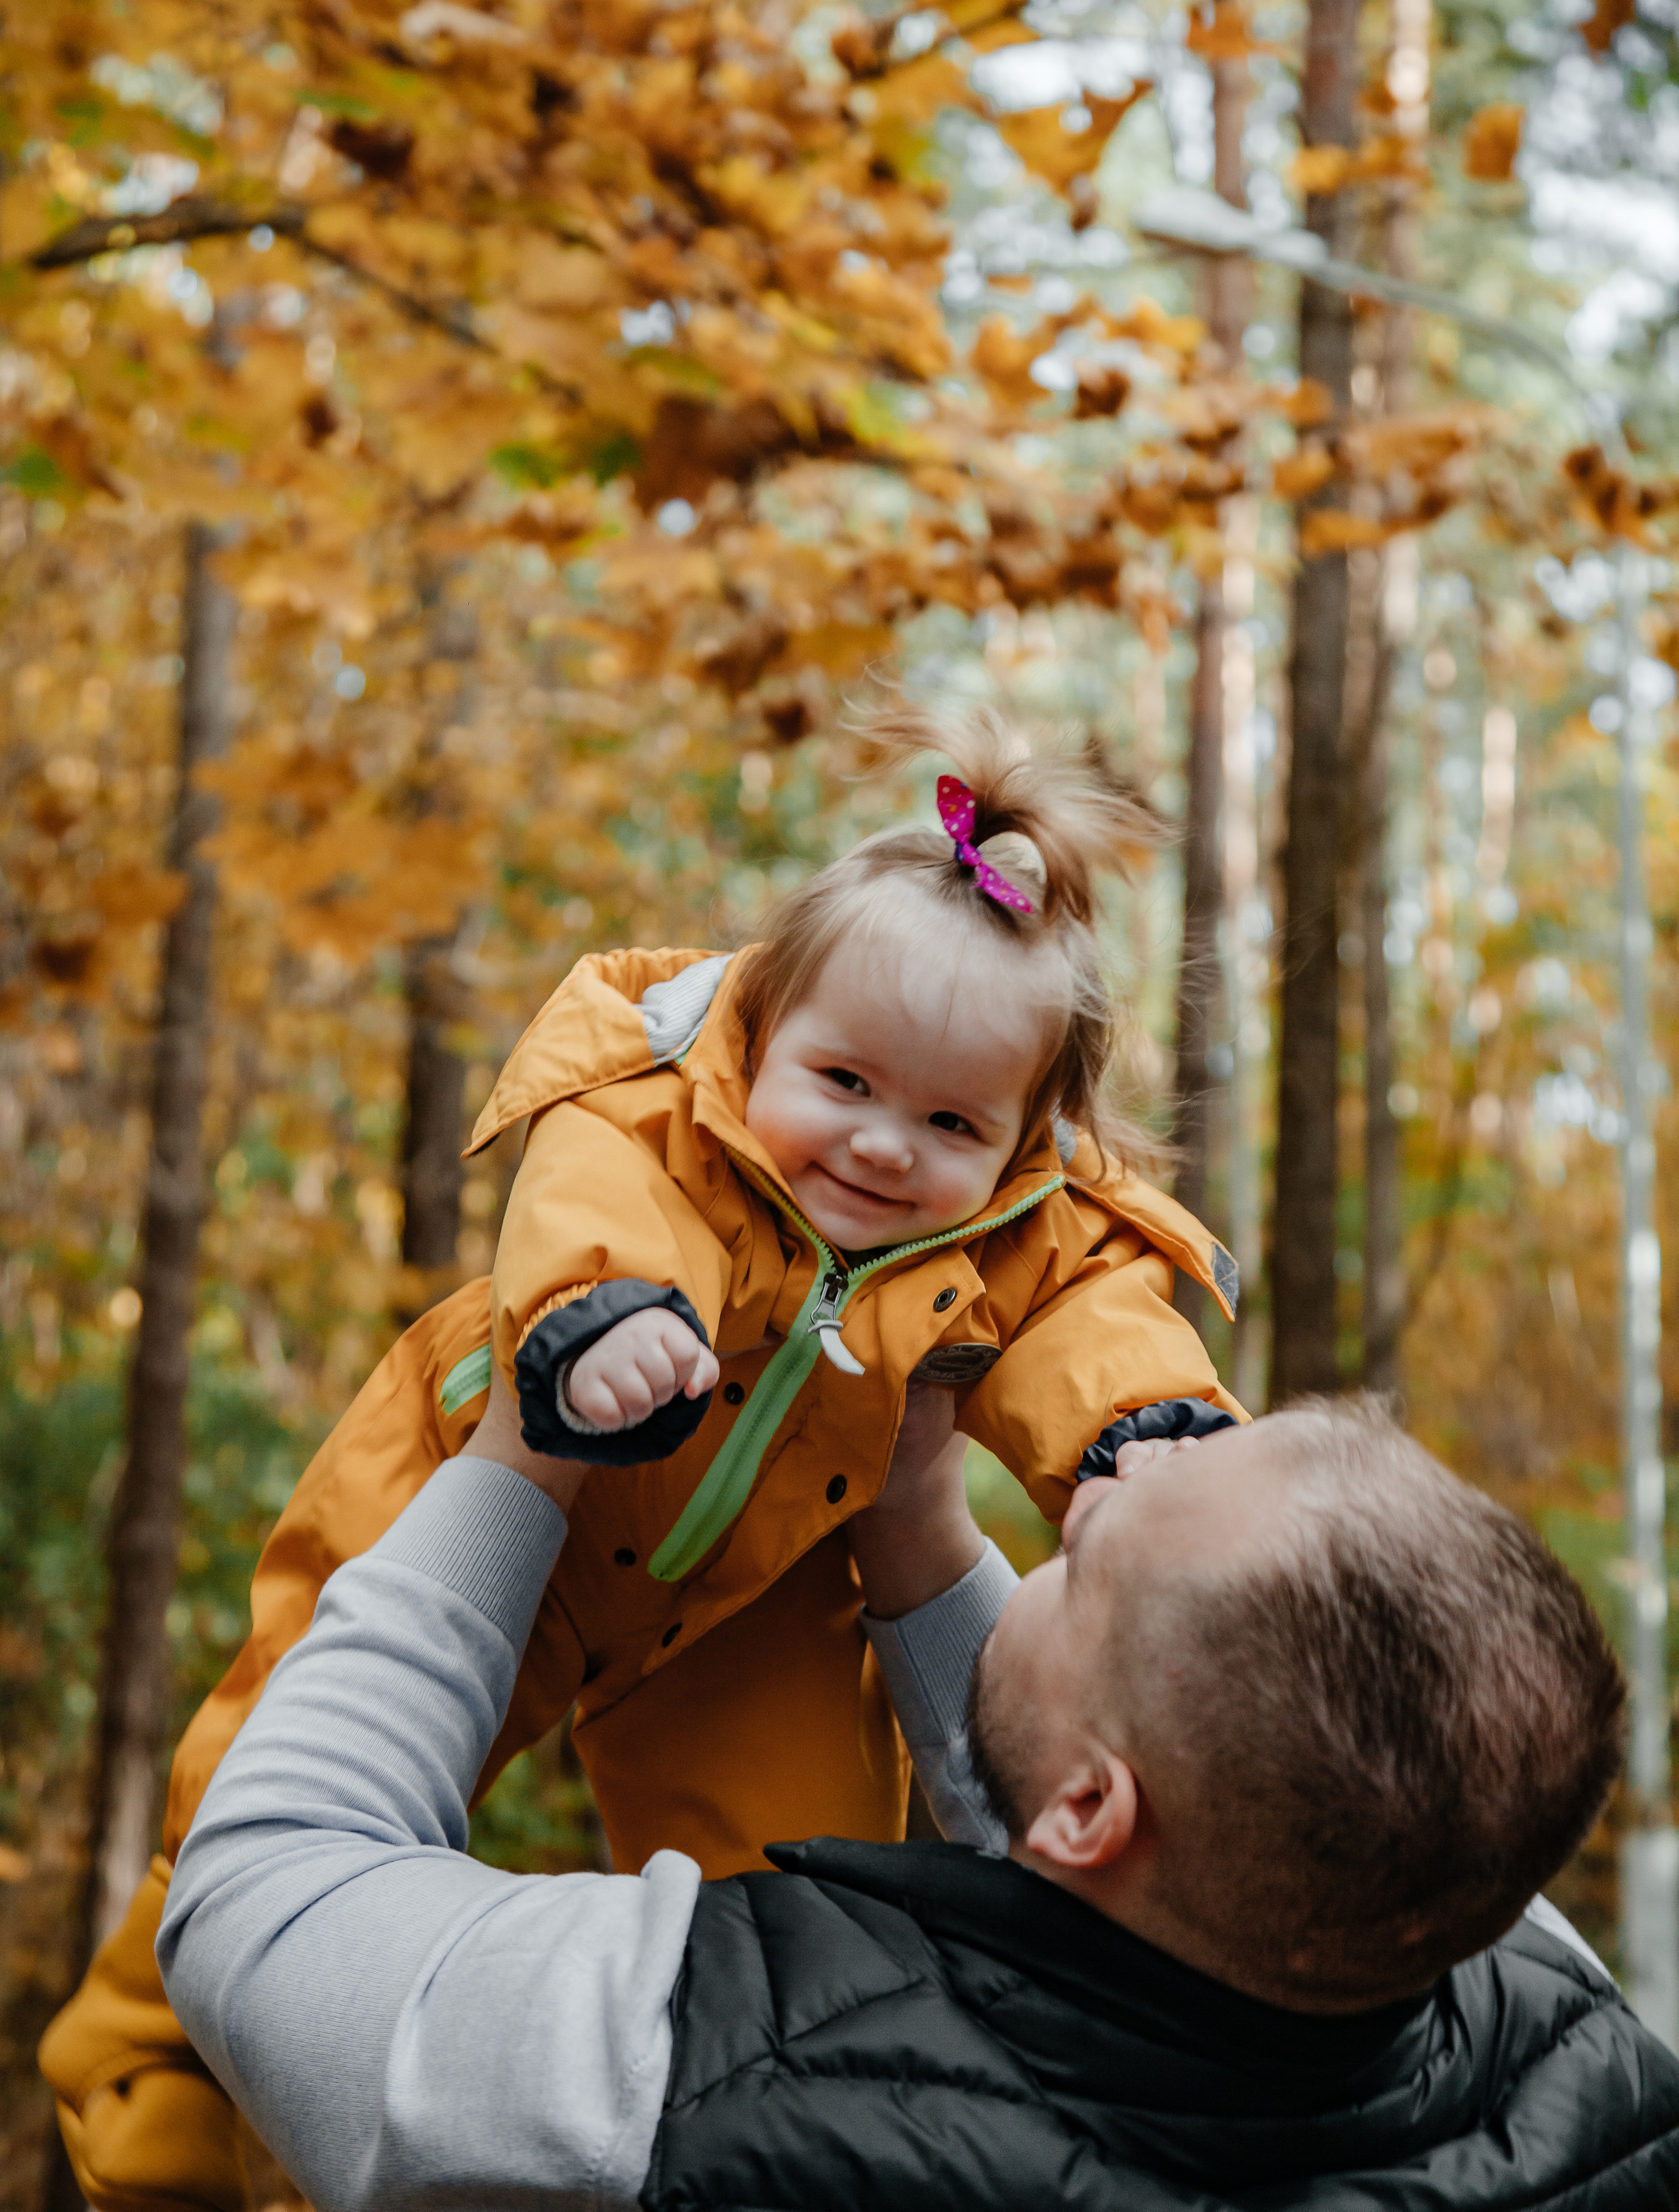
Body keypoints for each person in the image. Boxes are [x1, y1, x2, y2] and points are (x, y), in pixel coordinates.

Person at [44, 704, 1244, 2207]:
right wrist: (605, 1310)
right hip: (484, 1503)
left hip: (759, 1600)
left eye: (949, 1120)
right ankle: (147, 2096)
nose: (882, 1148)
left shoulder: (1022, 1229)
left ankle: (751, 2152)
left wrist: (1142, 1434)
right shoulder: (659, 1107)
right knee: (272, 1791)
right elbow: (595, 1187)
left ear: (1019, 1142)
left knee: (791, 1898)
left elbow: (1095, 1317)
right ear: (755, 1040)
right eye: (846, 1085)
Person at [156, 1374, 1679, 2210]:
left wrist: (522, 1456)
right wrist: (920, 1520)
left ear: (1091, 1811)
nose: (1095, 1480)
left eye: (1086, 1560)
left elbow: (271, 1899)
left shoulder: (689, 2075)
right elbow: (1144, 1875)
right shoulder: (1526, 1974)